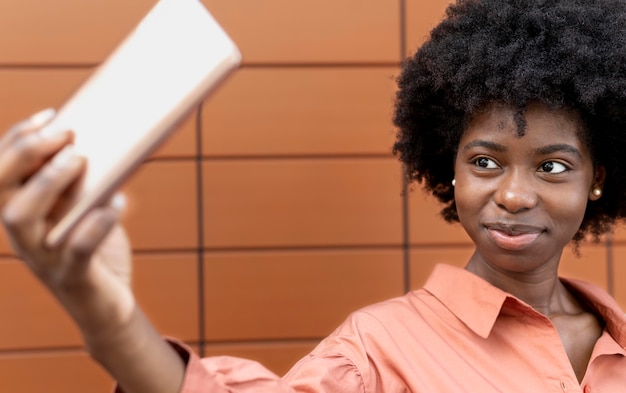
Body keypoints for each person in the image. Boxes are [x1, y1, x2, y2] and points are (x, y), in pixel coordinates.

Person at [2, 0, 626, 391]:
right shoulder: (377, 352)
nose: (515, 195)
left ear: (597, 177)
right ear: (449, 166)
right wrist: (108, 320)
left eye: (552, 165)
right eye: (485, 160)